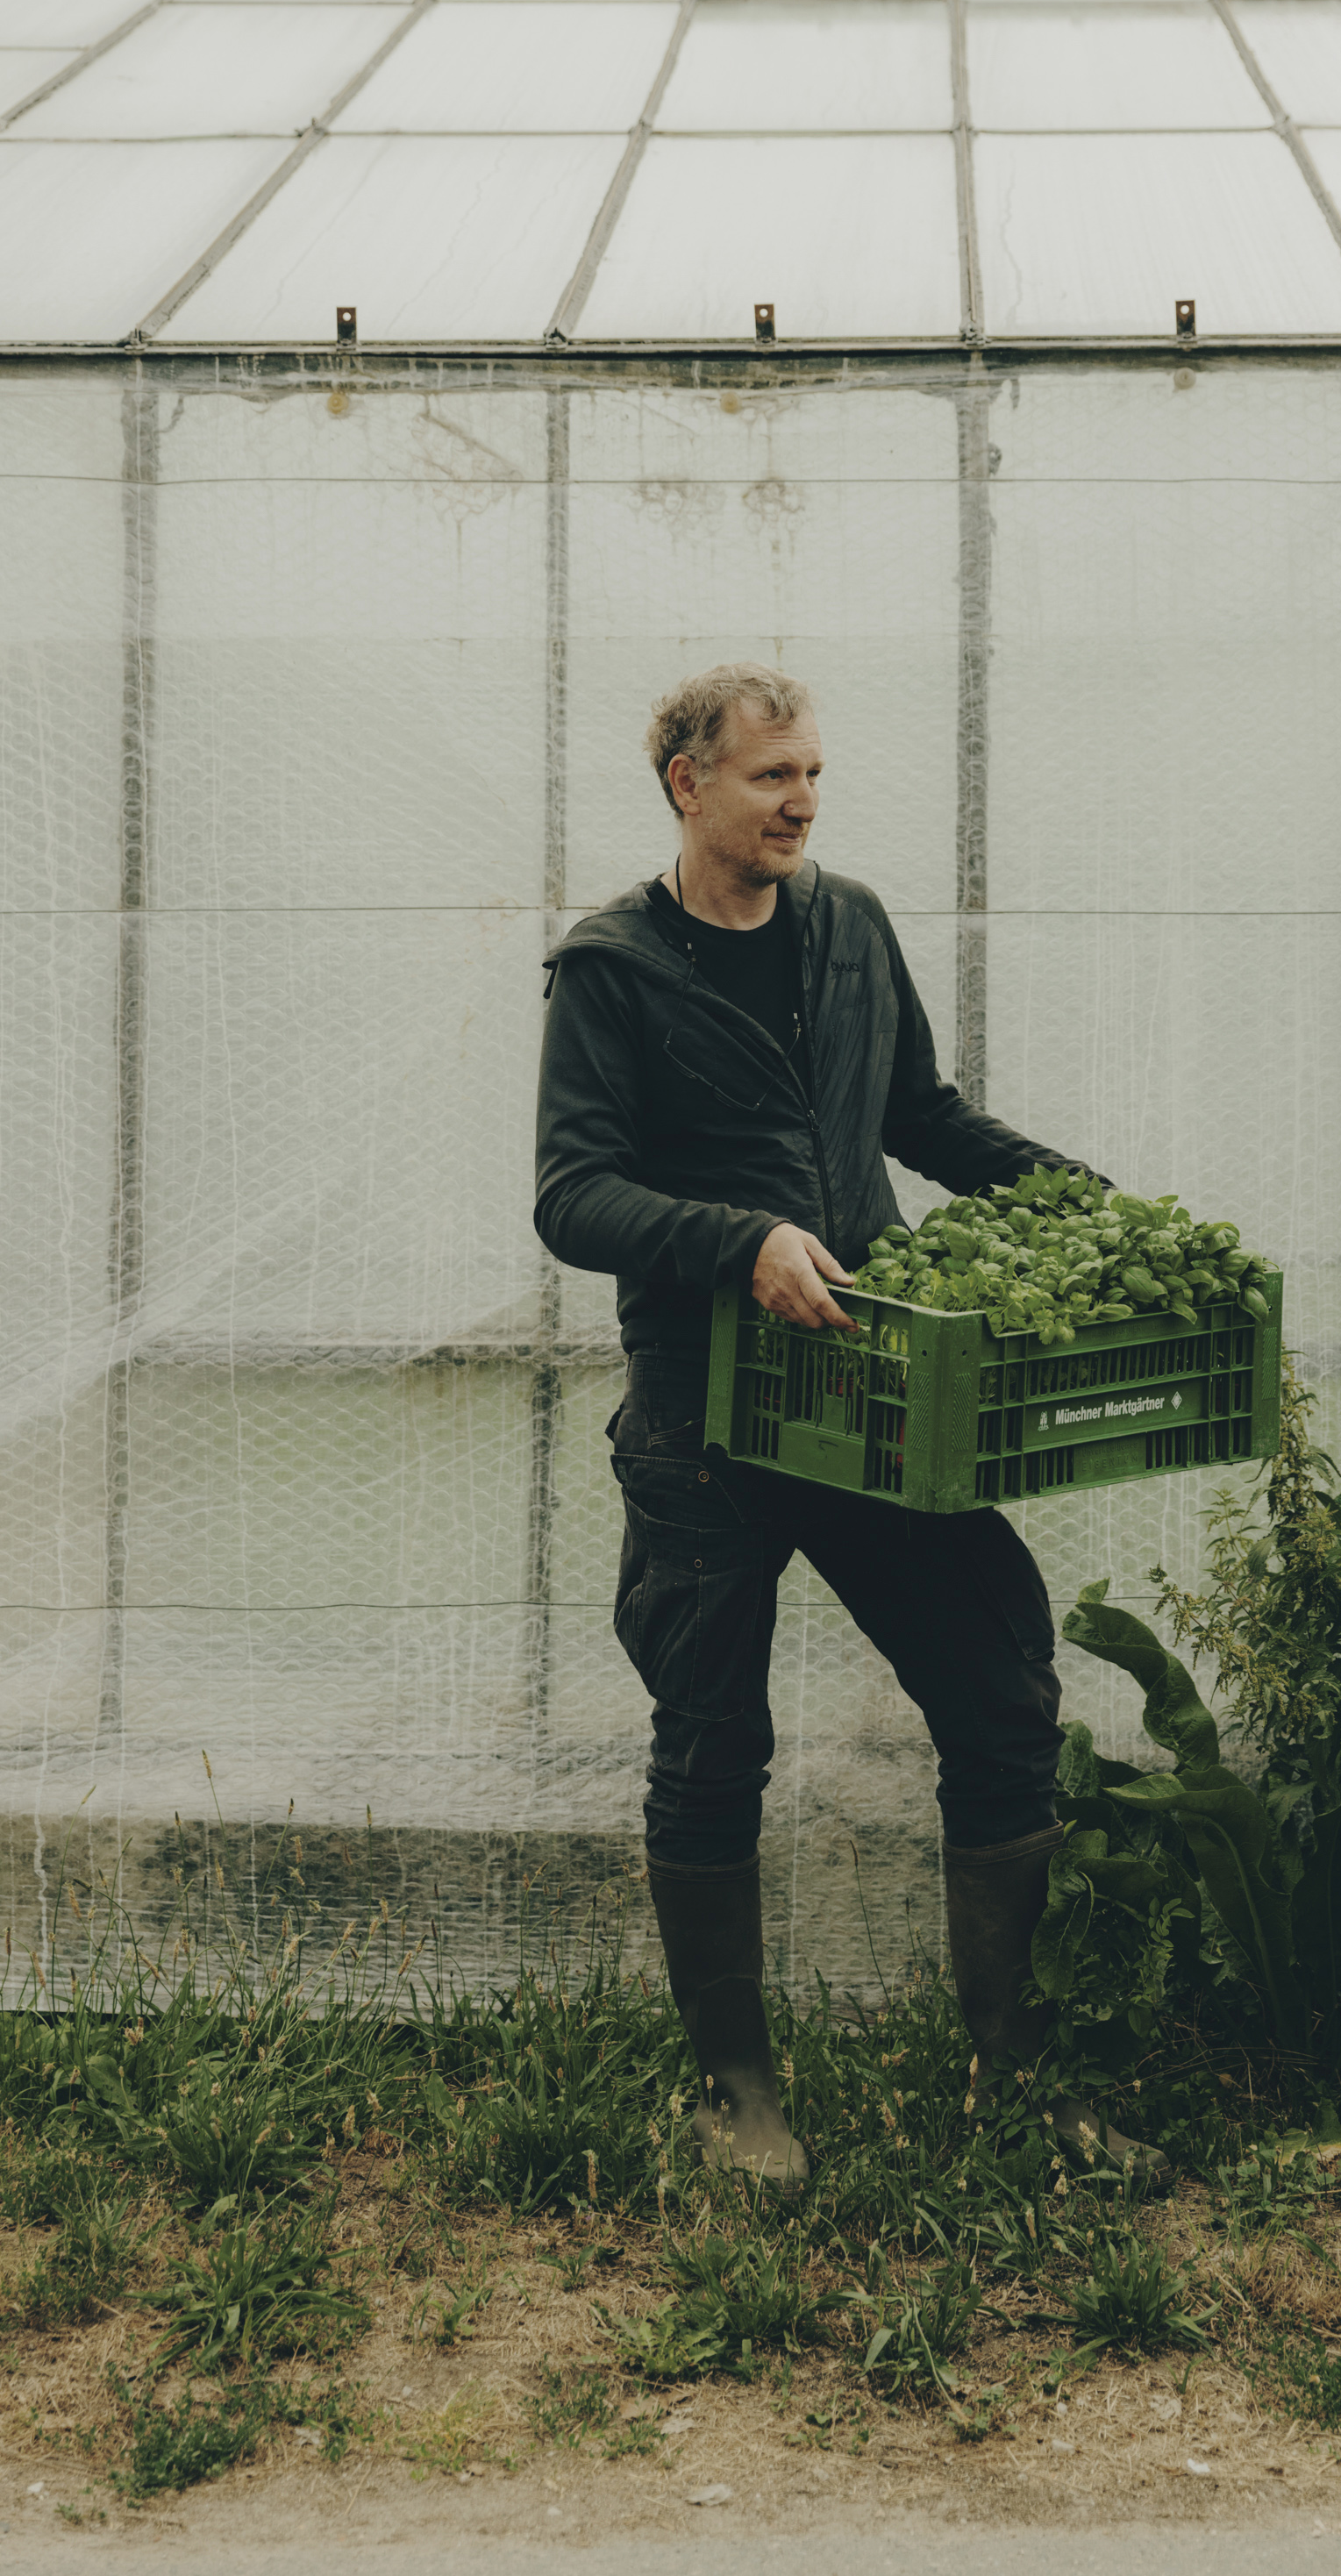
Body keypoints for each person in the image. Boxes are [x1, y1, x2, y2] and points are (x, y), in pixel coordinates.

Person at [534, 662, 1165, 2194]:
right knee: (711, 1737)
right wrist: (736, 1240)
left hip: (875, 1388)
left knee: (1000, 1686)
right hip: (706, 1411)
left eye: (812, 775)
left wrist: (1094, 1207)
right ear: (689, 785)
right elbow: (572, 1194)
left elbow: (918, 1116)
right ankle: (736, 2095)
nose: (801, 803)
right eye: (770, 780)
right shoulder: (612, 968)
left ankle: (1013, 2067)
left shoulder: (851, 924)